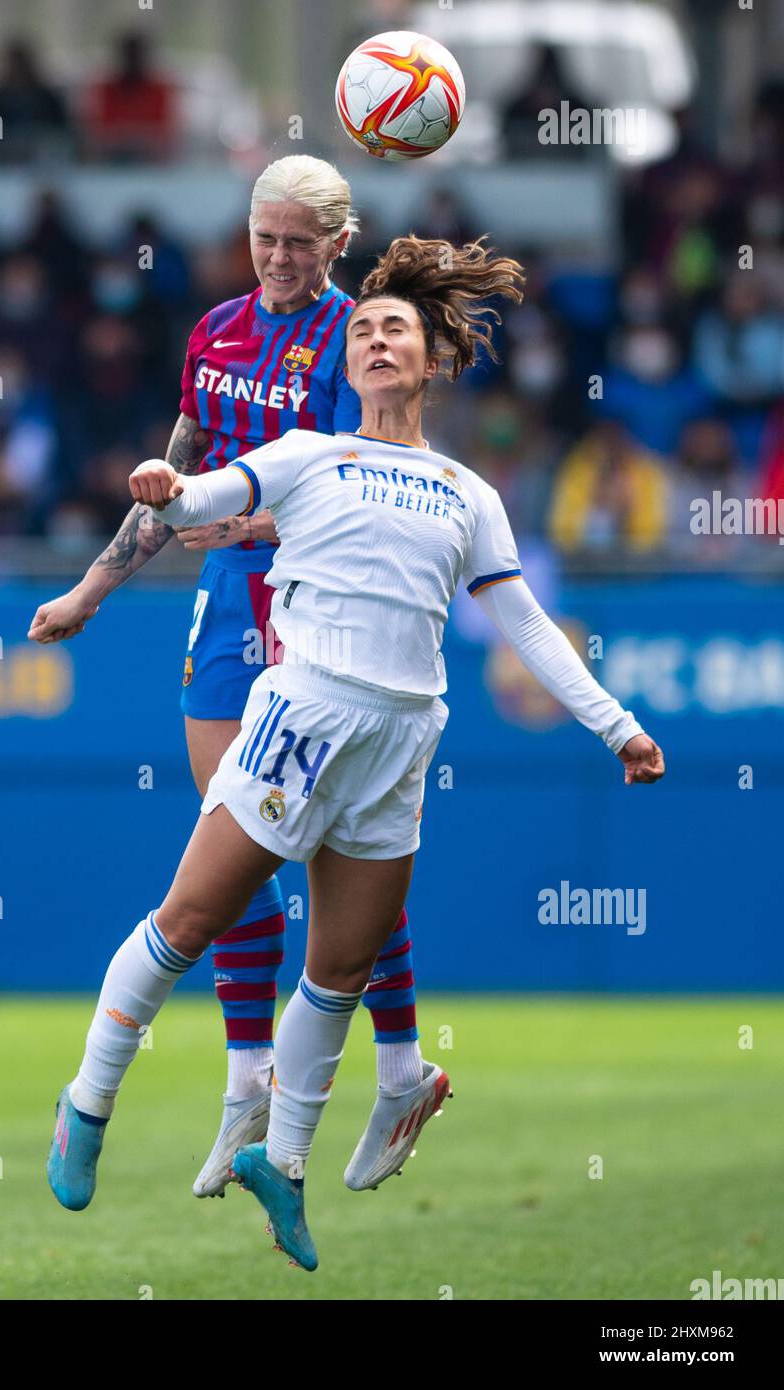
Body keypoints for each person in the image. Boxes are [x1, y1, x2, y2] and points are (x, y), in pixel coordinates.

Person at [45, 234, 665, 1270]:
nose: (377, 340)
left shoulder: (468, 494)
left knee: (337, 972)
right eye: (366, 329)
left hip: (404, 736)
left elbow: (521, 627)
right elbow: (206, 496)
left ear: (430, 363)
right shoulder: (305, 457)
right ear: (346, 358)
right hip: (299, 718)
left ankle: (280, 1169)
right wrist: (165, 486)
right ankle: (87, 1098)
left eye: (398, 332)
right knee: (191, 918)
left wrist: (615, 724)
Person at [29, 157, 443, 1199]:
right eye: (264, 235)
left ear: (336, 243)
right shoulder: (213, 332)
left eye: (299, 239)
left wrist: (232, 517)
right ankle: (245, 1081)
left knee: (341, 853)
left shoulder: (357, 339)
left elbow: (359, 484)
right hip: (228, 604)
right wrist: (90, 587)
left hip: (330, 609)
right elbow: (173, 476)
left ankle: (394, 1068)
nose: (277, 255)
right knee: (231, 843)